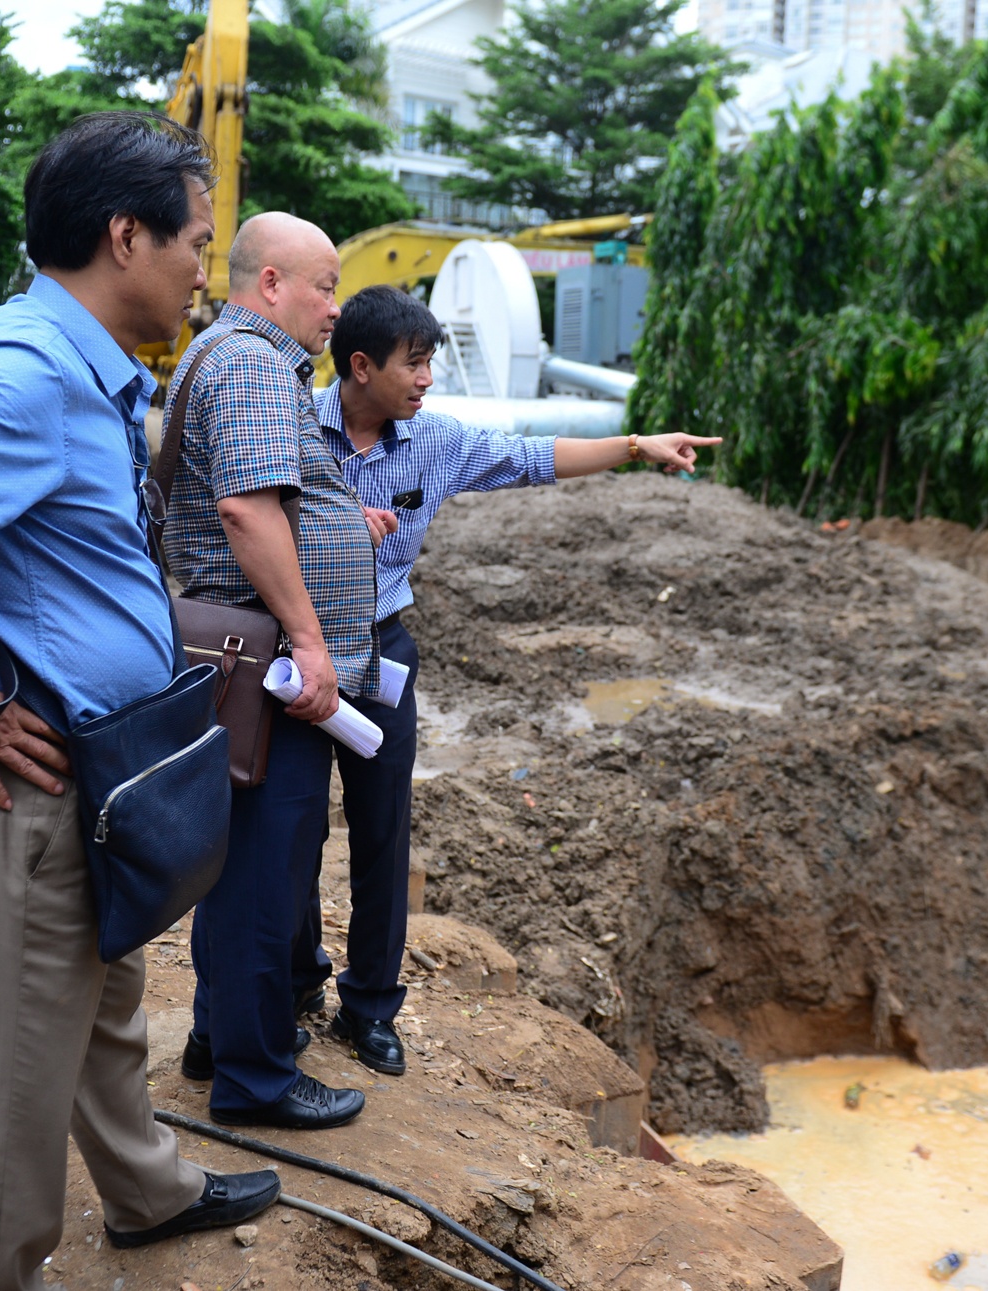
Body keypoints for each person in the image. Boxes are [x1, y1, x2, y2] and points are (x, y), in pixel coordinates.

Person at [0, 113, 280, 1291]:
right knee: (22, 1061)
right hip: (25, 781)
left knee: (105, 1000)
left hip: (99, 772)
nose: (201, 271)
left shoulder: (80, 368)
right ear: (125, 238)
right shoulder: (27, 368)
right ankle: (0, 1269)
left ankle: (145, 1190)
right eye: (194, 242)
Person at [299, 284, 720, 1075]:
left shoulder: (434, 442)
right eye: (414, 364)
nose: (426, 380)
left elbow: (532, 458)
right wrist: (329, 522)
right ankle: (296, 983)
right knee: (293, 829)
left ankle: (369, 1007)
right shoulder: (291, 427)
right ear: (360, 366)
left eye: (431, 363)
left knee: (385, 831)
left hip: (381, 650)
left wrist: (635, 445)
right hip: (297, 651)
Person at [161, 212, 392, 1125]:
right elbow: (248, 511)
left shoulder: (230, 354)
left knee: (239, 862)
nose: (336, 308)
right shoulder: (255, 362)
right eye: (324, 286)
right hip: (267, 664)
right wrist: (309, 640)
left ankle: (221, 1034)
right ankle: (254, 1081)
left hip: (241, 657)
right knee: (266, 872)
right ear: (269, 285)